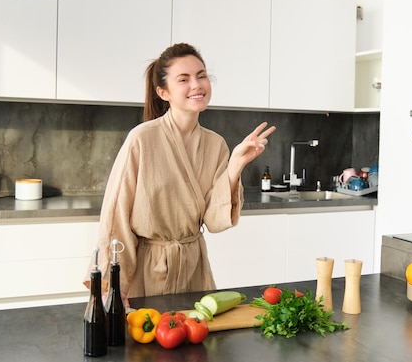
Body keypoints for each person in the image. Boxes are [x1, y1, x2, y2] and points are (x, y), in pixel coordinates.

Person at [85, 43, 276, 299]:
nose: (196, 85)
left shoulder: (215, 144)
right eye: (183, 79)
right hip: (147, 270)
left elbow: (214, 220)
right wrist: (113, 284)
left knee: (198, 337)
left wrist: (235, 165)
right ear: (163, 92)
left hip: (193, 269)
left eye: (201, 76)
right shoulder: (142, 139)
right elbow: (116, 216)